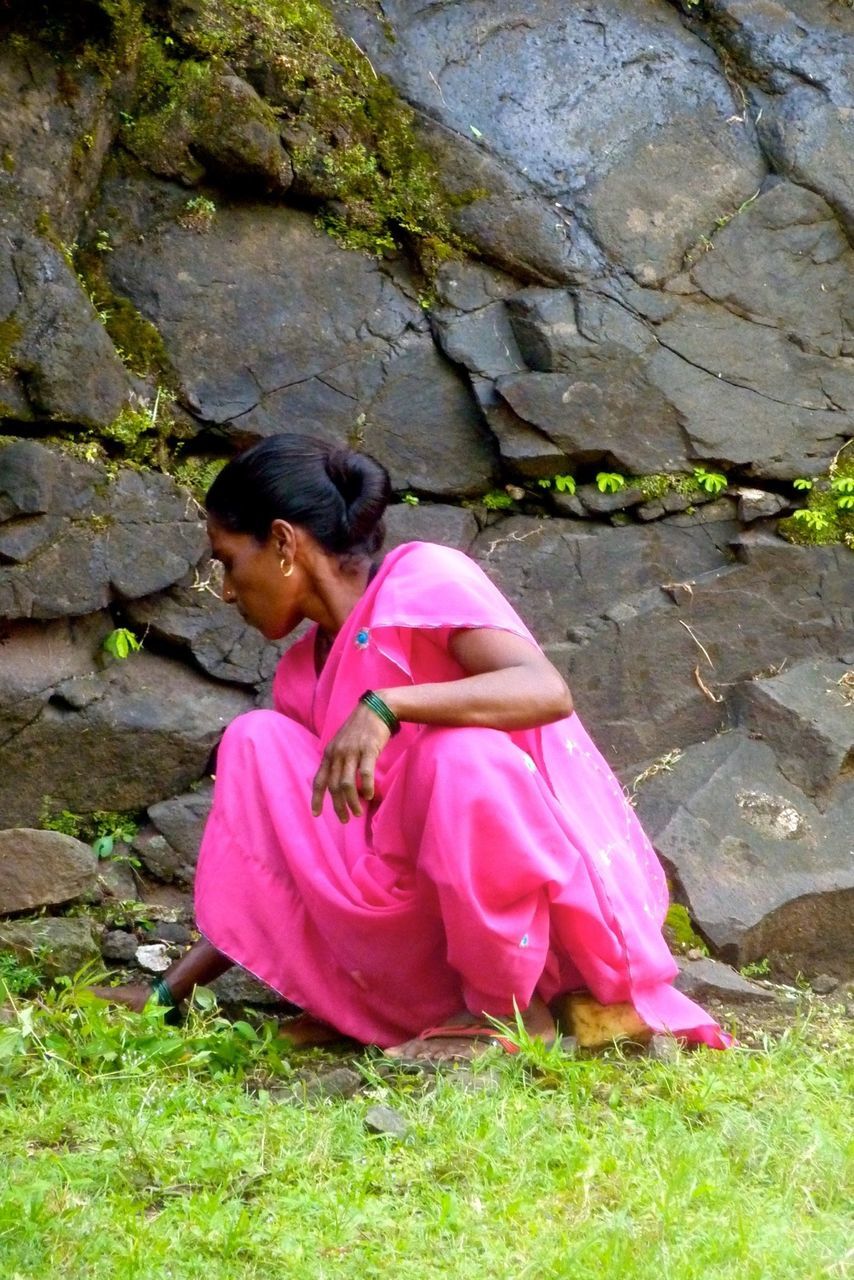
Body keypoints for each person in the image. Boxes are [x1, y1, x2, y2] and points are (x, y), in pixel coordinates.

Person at [93, 433, 728, 1057]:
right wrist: (165, 992)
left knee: (461, 759)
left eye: (228, 561)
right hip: (413, 943)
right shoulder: (301, 680)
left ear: (284, 544)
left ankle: (510, 1013)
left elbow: (545, 689)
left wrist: (389, 705)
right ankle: (394, 1010)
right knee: (254, 739)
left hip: (538, 935)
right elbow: (278, 859)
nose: (227, 590)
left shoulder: (423, 578)